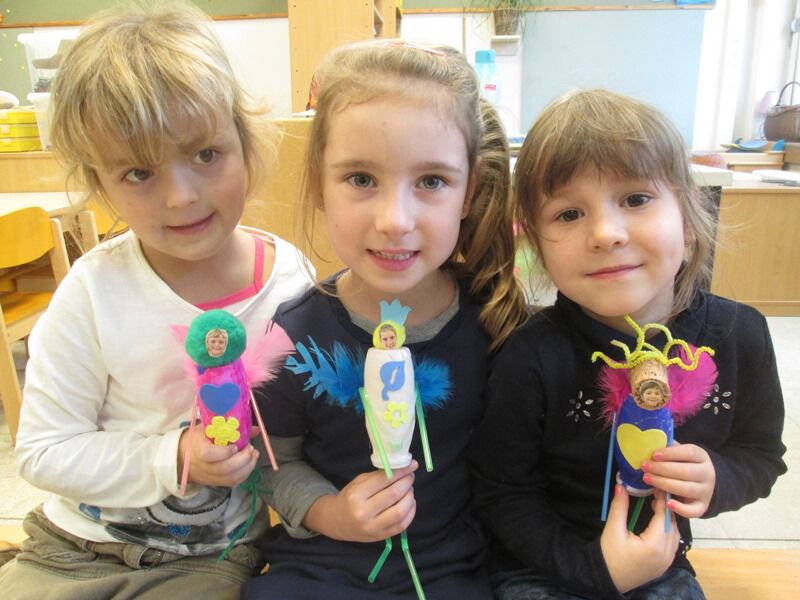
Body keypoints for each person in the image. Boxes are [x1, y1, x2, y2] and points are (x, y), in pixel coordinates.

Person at [0, 2, 312, 598]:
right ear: (99, 183)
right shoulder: (93, 291)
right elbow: (43, 451)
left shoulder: (292, 281)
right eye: (139, 173)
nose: (180, 197)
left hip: (210, 562)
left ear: (246, 142)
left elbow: (305, 436)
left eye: (206, 155)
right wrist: (174, 457)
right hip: (70, 549)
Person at [470, 89, 787, 599]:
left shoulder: (739, 334)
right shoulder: (530, 356)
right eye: (568, 214)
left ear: (688, 221)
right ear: (537, 246)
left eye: (636, 200)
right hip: (541, 566)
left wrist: (717, 479)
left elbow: (761, 455)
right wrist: (592, 569)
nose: (605, 233)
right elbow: (502, 493)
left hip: (659, 565)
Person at [242, 40, 528, 599]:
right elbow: (272, 462)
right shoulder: (293, 335)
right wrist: (330, 512)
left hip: (452, 569)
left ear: (469, 191)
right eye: (361, 179)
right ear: (318, 184)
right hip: (321, 567)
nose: (395, 220)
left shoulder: (494, 323)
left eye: (431, 181)